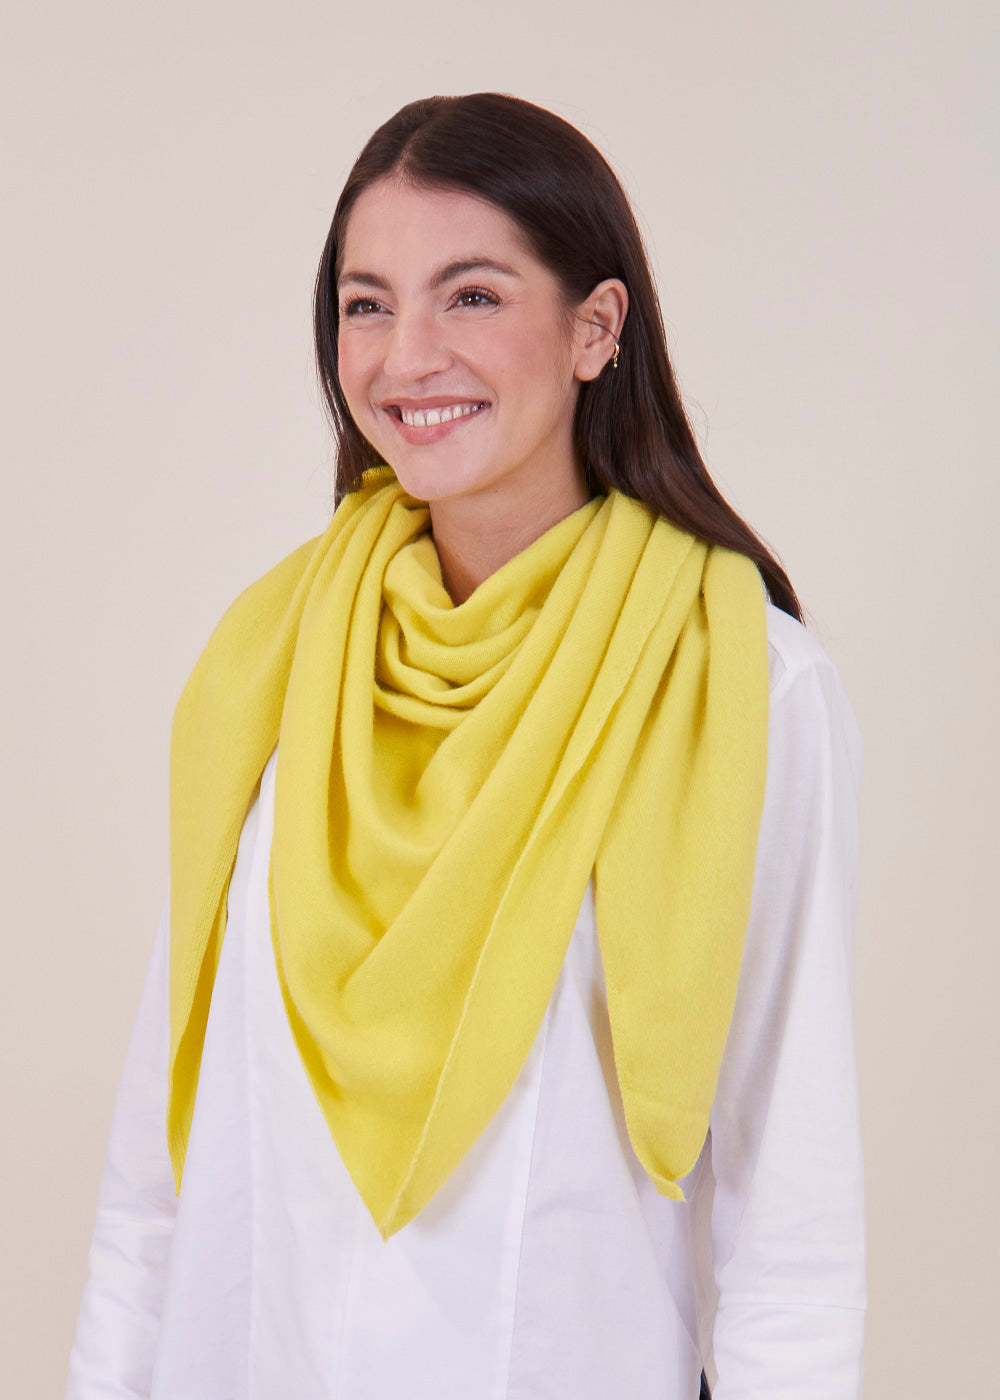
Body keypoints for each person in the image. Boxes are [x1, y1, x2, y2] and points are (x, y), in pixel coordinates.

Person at [65, 93, 866, 1399]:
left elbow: (790, 1229)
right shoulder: (271, 664)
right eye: (367, 305)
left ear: (597, 328)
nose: (406, 357)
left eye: (473, 296)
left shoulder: (744, 689)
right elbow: (159, 1177)